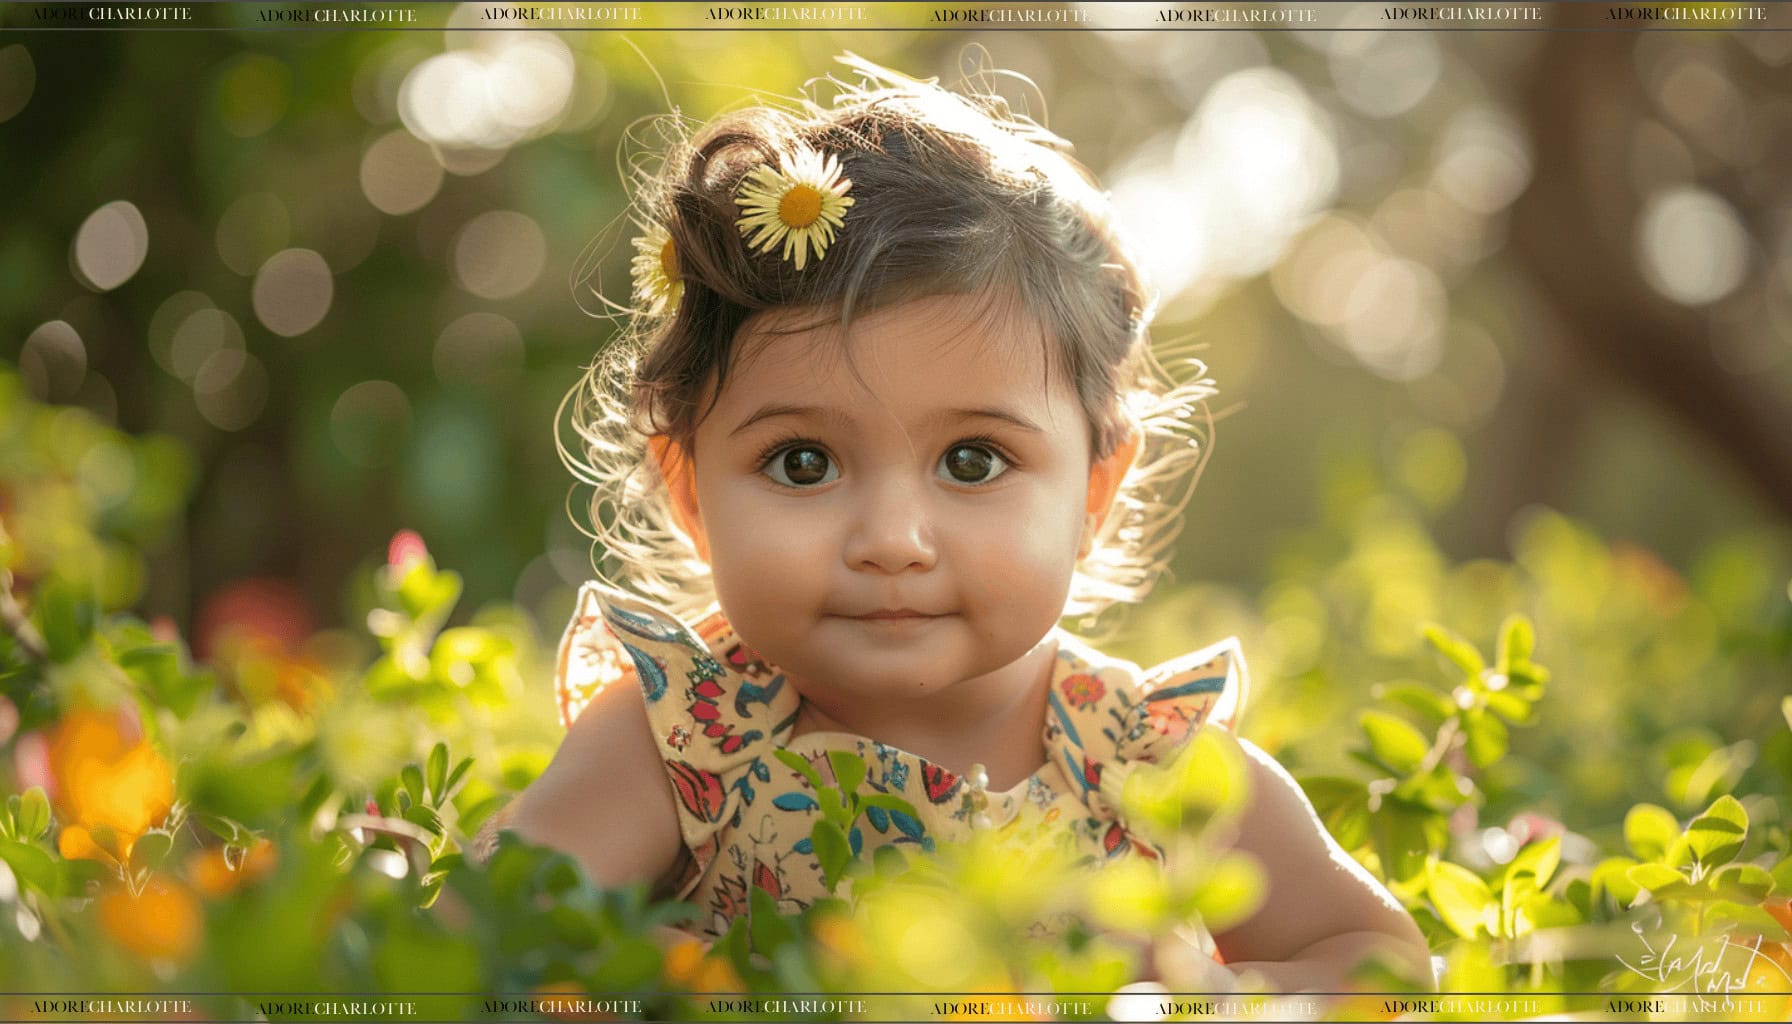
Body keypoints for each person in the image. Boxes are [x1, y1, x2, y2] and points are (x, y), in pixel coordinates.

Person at [479, 54, 1434, 993]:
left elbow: (1380, 964)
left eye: (973, 462)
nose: (893, 539)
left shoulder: (1148, 764)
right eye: (802, 463)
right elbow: (478, 938)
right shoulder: (684, 747)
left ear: (1094, 494)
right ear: (691, 491)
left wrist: (1217, 997)